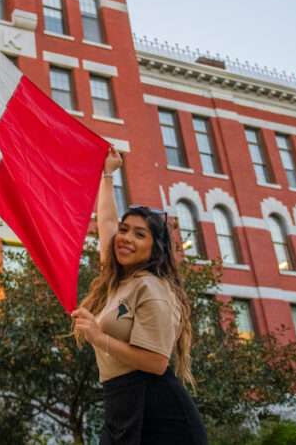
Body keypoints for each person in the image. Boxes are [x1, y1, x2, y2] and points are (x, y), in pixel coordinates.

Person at [72, 148, 207, 444]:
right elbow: (106, 221)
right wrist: (107, 174)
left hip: (159, 414)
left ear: (155, 247)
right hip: (120, 403)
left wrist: (98, 336)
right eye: (125, 230)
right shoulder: (120, 279)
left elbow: (157, 362)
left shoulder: (153, 288)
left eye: (139, 234)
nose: (126, 238)